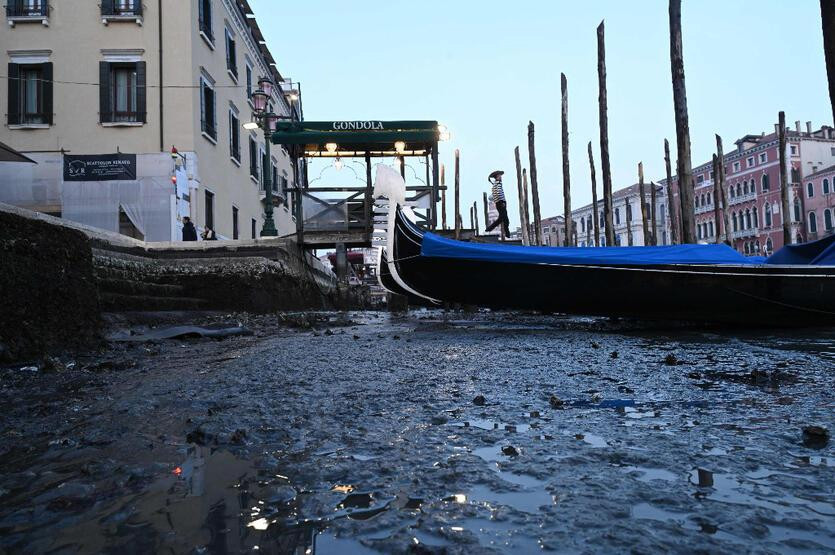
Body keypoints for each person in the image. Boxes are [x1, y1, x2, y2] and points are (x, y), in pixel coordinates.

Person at [484, 170, 510, 238]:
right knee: (504, 219)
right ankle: (507, 234)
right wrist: (502, 202)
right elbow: (498, 194)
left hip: (500, 203)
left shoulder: (496, 185)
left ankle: (507, 234)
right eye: (499, 176)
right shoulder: (497, 184)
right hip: (501, 203)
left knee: (503, 219)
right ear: (497, 177)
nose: (501, 177)